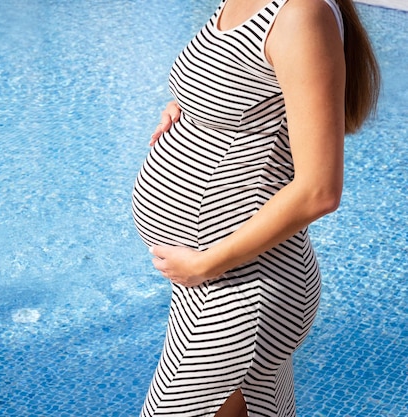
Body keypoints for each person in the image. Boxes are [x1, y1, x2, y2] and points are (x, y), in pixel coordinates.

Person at [131, 0, 380, 415]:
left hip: (245, 285)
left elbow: (319, 189)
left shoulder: (302, 14)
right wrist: (189, 113)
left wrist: (207, 263)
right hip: (213, 281)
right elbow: (249, 94)